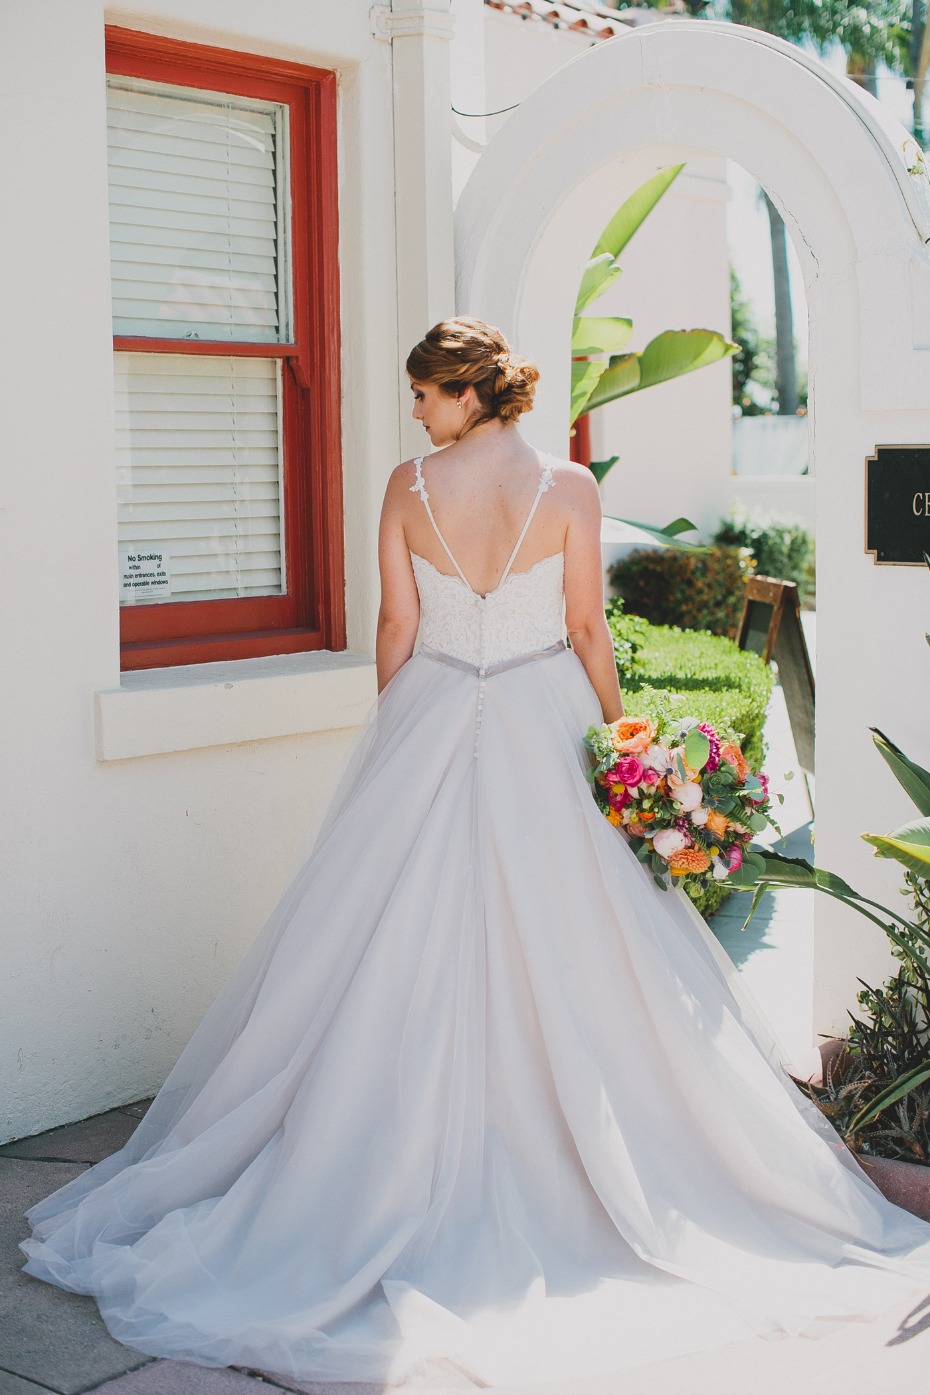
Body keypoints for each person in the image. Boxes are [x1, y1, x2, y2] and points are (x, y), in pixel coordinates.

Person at [20, 317, 930, 1388]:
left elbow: (395, 634)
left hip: (435, 709)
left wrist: (397, 740)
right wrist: (621, 739)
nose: (414, 412)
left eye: (422, 393)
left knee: (384, 946)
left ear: (464, 393)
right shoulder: (570, 487)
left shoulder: (410, 488)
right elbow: (590, 629)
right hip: (547, 710)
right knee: (588, 944)